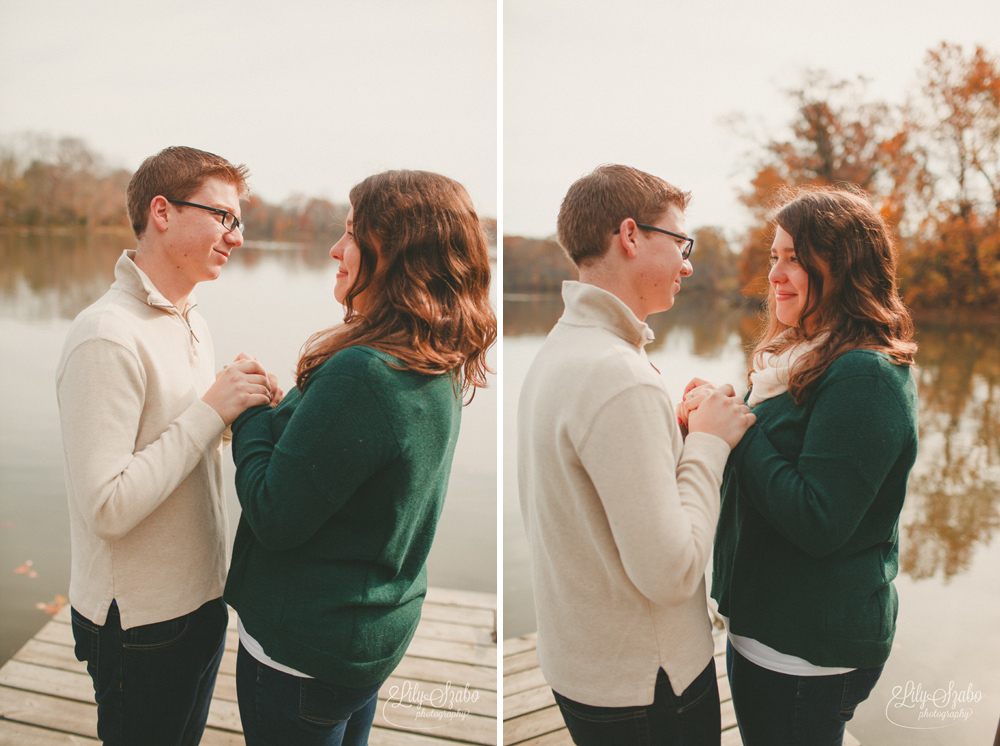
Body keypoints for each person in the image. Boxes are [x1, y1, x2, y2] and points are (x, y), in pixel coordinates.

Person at [224, 169, 496, 746]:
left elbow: (274, 513)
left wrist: (245, 413)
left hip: (302, 651)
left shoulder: (364, 373)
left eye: (351, 234)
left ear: (395, 253)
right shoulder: (435, 356)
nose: (335, 249)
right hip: (365, 641)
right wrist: (284, 416)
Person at [516, 164, 756, 746]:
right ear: (630, 235)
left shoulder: (561, 349)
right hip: (648, 688)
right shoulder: (619, 376)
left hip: (587, 670)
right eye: (680, 242)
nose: (688, 262)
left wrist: (673, 433)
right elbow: (672, 572)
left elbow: (592, 499)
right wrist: (707, 443)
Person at [56, 146, 279, 745]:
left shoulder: (188, 316)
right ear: (162, 211)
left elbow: (177, 433)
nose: (236, 235)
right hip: (138, 624)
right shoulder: (105, 335)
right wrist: (211, 409)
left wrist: (243, 410)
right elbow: (107, 506)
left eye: (237, 220)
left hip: (200, 602)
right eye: (222, 216)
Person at [681, 186, 919, 746]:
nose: (776, 274)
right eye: (774, 256)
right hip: (768, 632)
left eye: (796, 258)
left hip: (808, 653)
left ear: (845, 268)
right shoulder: (800, 357)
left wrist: (739, 430)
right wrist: (716, 418)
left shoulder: (864, 375)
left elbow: (819, 519)